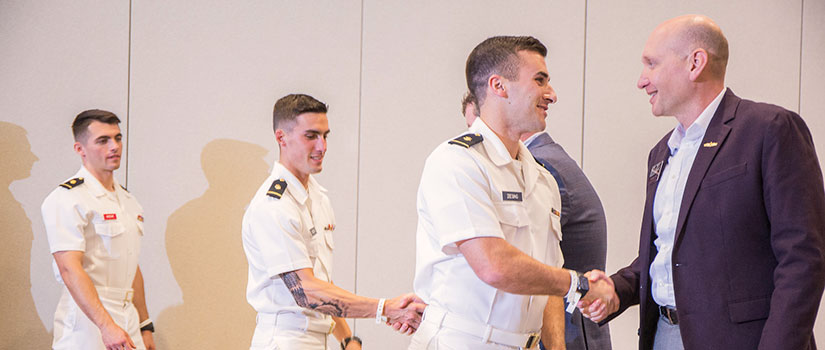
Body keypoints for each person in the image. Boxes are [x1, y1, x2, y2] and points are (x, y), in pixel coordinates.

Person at [581, 15, 825, 350]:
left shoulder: (770, 129)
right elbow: (671, 249)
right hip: (662, 336)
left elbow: (803, 258)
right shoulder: (660, 153)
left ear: (695, 63)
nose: (641, 80)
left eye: (651, 64)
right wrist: (618, 288)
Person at [409, 36, 616, 350]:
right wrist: (579, 284)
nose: (552, 94)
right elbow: (493, 264)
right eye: (539, 80)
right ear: (499, 86)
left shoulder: (542, 178)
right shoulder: (456, 162)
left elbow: (547, 283)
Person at [241, 94, 426, 350]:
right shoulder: (274, 204)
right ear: (281, 138)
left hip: (318, 339)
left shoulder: (317, 196)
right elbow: (306, 291)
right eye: (311, 136)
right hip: (285, 340)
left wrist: (348, 339)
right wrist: (385, 309)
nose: (322, 146)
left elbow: (321, 284)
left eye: (325, 135)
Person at [462, 92, 613, 350]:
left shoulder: (541, 168)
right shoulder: (549, 158)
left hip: (563, 332)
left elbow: (511, 263)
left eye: (476, 126)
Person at [41, 109, 156, 350]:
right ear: (80, 149)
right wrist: (106, 326)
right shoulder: (68, 198)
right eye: (102, 141)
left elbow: (130, 265)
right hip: (88, 319)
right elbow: (69, 269)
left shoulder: (127, 200)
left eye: (118, 137)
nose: (114, 146)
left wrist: (145, 325)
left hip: (127, 314)